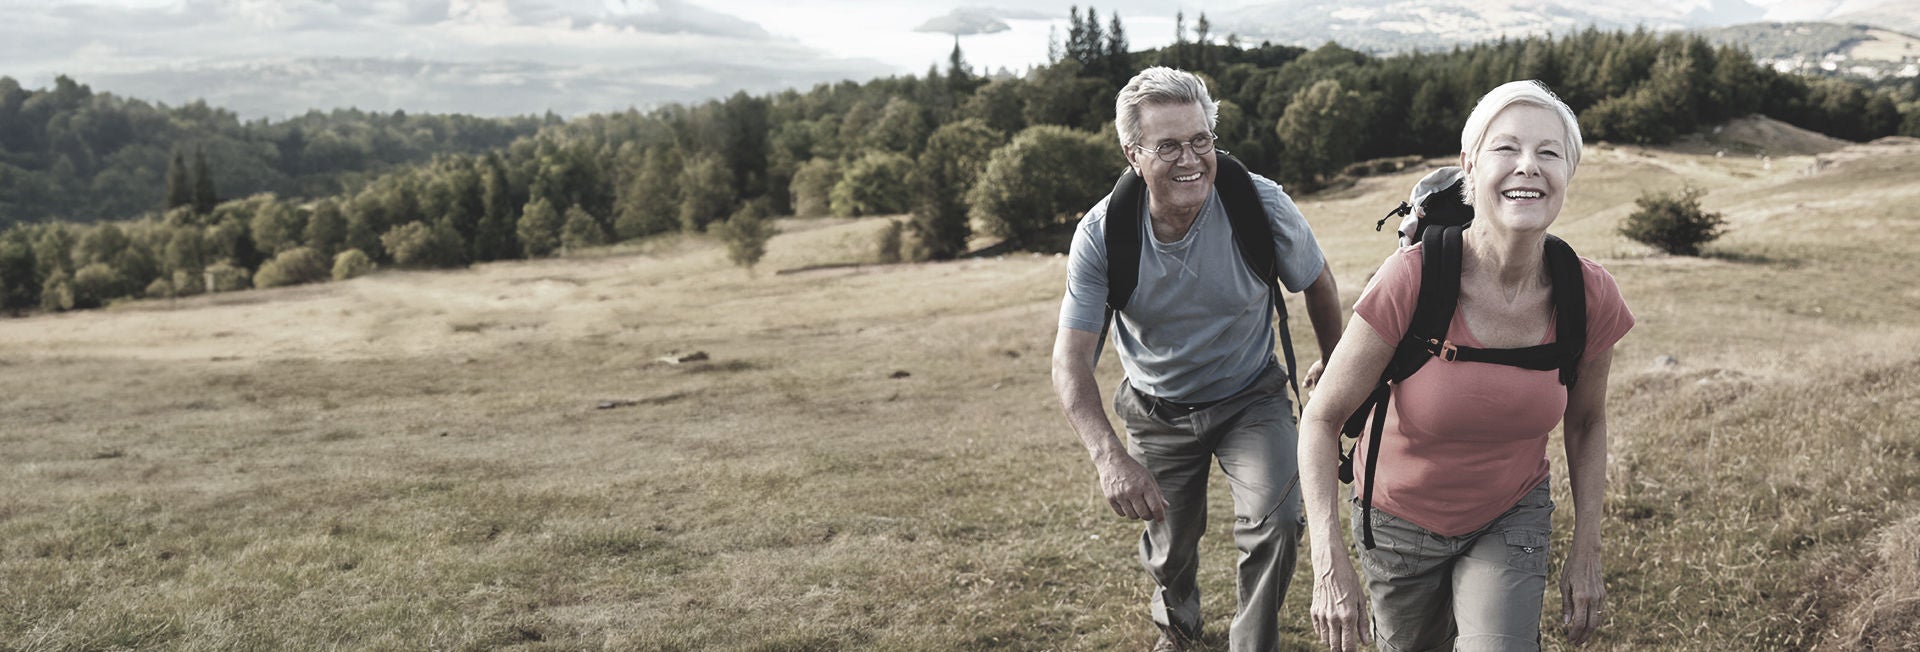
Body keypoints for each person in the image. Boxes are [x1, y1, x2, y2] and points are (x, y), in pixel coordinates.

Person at [1297, 80, 1635, 652]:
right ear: (1470, 167)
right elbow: (1321, 419)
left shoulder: (1588, 293)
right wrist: (1329, 563)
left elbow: (1585, 423)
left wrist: (1588, 547)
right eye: (1507, 148)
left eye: (1549, 152)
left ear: (1568, 174)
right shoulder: (1413, 277)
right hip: (1398, 520)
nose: (1528, 166)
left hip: (1511, 513)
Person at [1051, 66, 1345, 652]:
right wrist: (1109, 456)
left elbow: (1318, 284)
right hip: (1157, 409)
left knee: (1279, 521)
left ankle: (1250, 644)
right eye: (1168, 146)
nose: (1191, 159)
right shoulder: (1103, 234)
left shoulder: (1259, 204)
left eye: (1201, 140)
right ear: (1133, 154)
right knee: (1169, 548)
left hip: (1251, 397)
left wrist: (1336, 369)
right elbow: (1070, 358)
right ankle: (1179, 635)